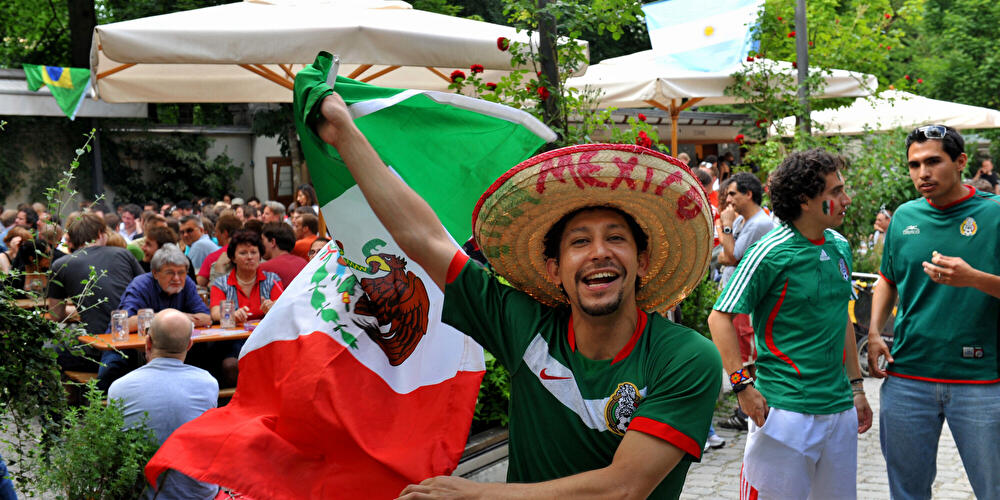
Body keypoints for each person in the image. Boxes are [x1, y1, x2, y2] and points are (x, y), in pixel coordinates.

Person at [315, 91, 721, 498]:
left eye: (616, 238)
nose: (599, 252)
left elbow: (623, 488)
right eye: (580, 242)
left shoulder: (685, 358)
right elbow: (423, 237)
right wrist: (343, 132)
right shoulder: (523, 325)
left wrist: (476, 495)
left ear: (643, 262)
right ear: (554, 270)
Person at [708, 149, 872, 499]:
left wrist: (857, 387)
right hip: (784, 414)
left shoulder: (840, 246)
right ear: (805, 200)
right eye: (835, 192)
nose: (846, 199)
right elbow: (719, 317)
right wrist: (741, 387)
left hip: (839, 410)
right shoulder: (771, 251)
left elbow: (839, 316)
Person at [867, 125, 1000, 500]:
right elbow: (887, 279)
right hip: (908, 377)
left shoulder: (994, 215)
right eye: (914, 165)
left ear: (960, 162)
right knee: (907, 492)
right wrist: (875, 332)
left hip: (981, 380)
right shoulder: (905, 217)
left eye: (932, 162)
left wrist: (973, 278)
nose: (922, 173)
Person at [107, 309, 220, 500]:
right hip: (199, 495)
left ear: (148, 342)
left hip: (142, 495)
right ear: (190, 345)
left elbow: (112, 450)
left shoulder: (119, 388)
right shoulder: (208, 383)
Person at [714, 172, 774, 432]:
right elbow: (725, 256)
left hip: (743, 302)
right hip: (734, 297)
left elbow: (733, 256)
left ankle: (754, 407)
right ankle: (749, 407)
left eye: (732, 194)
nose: (728, 200)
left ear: (749, 194)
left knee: (747, 357)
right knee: (743, 354)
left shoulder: (759, 223)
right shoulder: (746, 221)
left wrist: (725, 227)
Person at [48, 213, 144, 371]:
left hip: (98, 349)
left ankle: (72, 395)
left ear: (70, 238)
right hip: (137, 344)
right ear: (100, 233)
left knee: (48, 350)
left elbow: (55, 315)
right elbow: (146, 289)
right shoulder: (123, 254)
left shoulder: (61, 264)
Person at [108, 244, 212, 390]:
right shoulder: (141, 284)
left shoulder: (186, 282)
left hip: (172, 349)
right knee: (112, 368)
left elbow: (205, 318)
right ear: (155, 273)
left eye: (181, 272)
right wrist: (170, 318)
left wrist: (154, 318)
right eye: (170, 272)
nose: (177, 278)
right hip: (131, 349)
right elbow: (123, 323)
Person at [210, 230, 283, 385]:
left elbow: (284, 305)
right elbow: (215, 312)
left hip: (265, 340)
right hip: (232, 343)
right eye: (243, 253)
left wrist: (273, 306)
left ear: (260, 255)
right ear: (233, 258)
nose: (249, 257)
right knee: (230, 365)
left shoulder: (272, 280)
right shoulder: (222, 283)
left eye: (253, 252)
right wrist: (231, 315)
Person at [197, 213, 242, 287]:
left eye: (216, 232)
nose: (215, 235)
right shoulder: (252, 253)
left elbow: (200, 283)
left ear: (225, 233)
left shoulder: (213, 257)